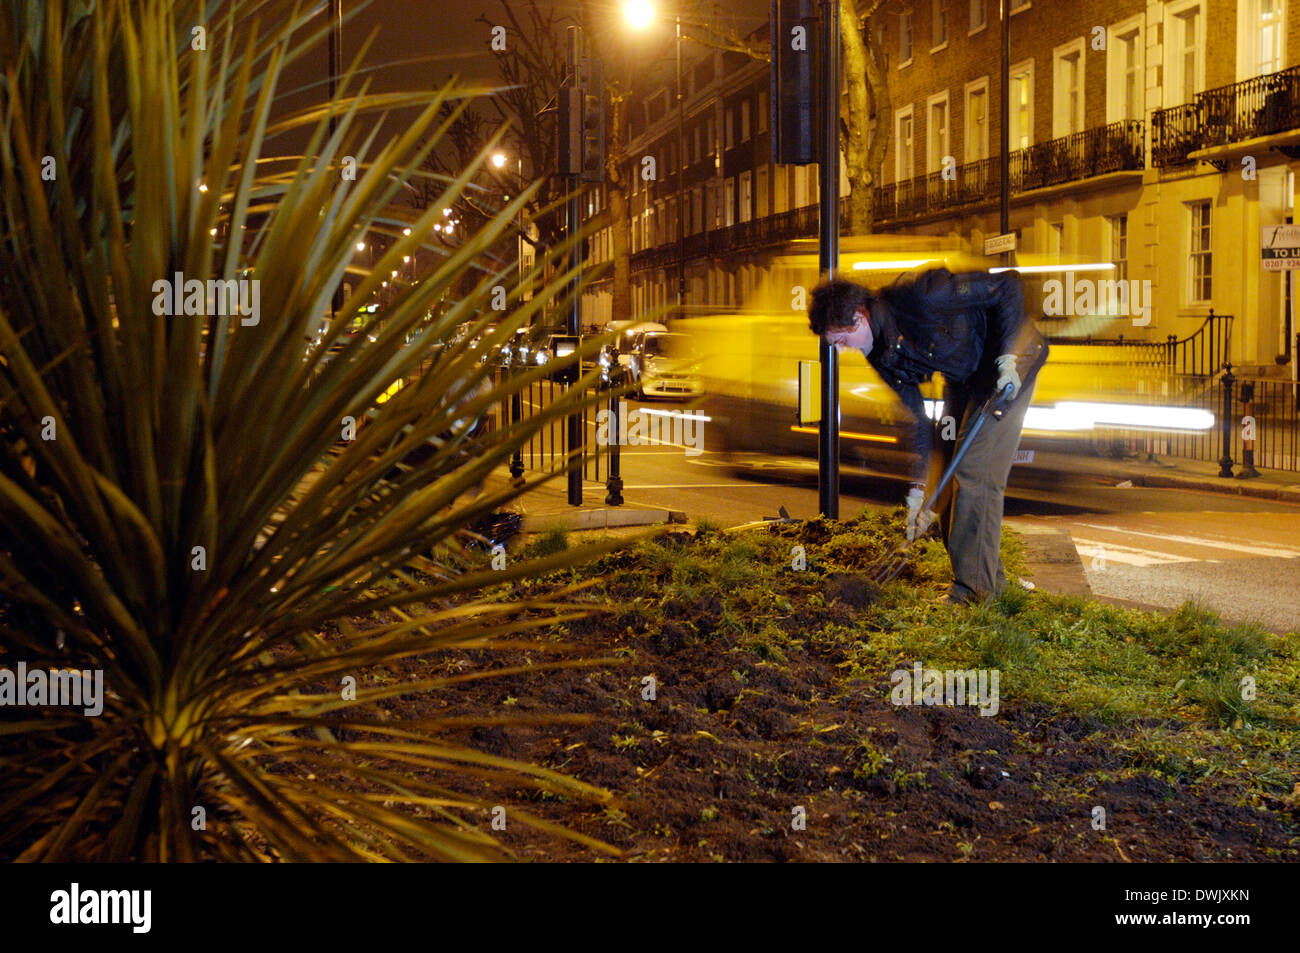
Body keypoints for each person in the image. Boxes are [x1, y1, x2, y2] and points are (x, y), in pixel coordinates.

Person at [808, 267, 1048, 605]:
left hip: (1013, 361)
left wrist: (1007, 356)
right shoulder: (882, 355)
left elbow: (1007, 285)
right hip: (967, 380)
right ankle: (990, 584)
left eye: (841, 340)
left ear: (859, 317)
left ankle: (974, 594)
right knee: (947, 478)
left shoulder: (922, 296)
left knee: (974, 474)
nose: (843, 349)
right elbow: (919, 422)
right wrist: (919, 494)